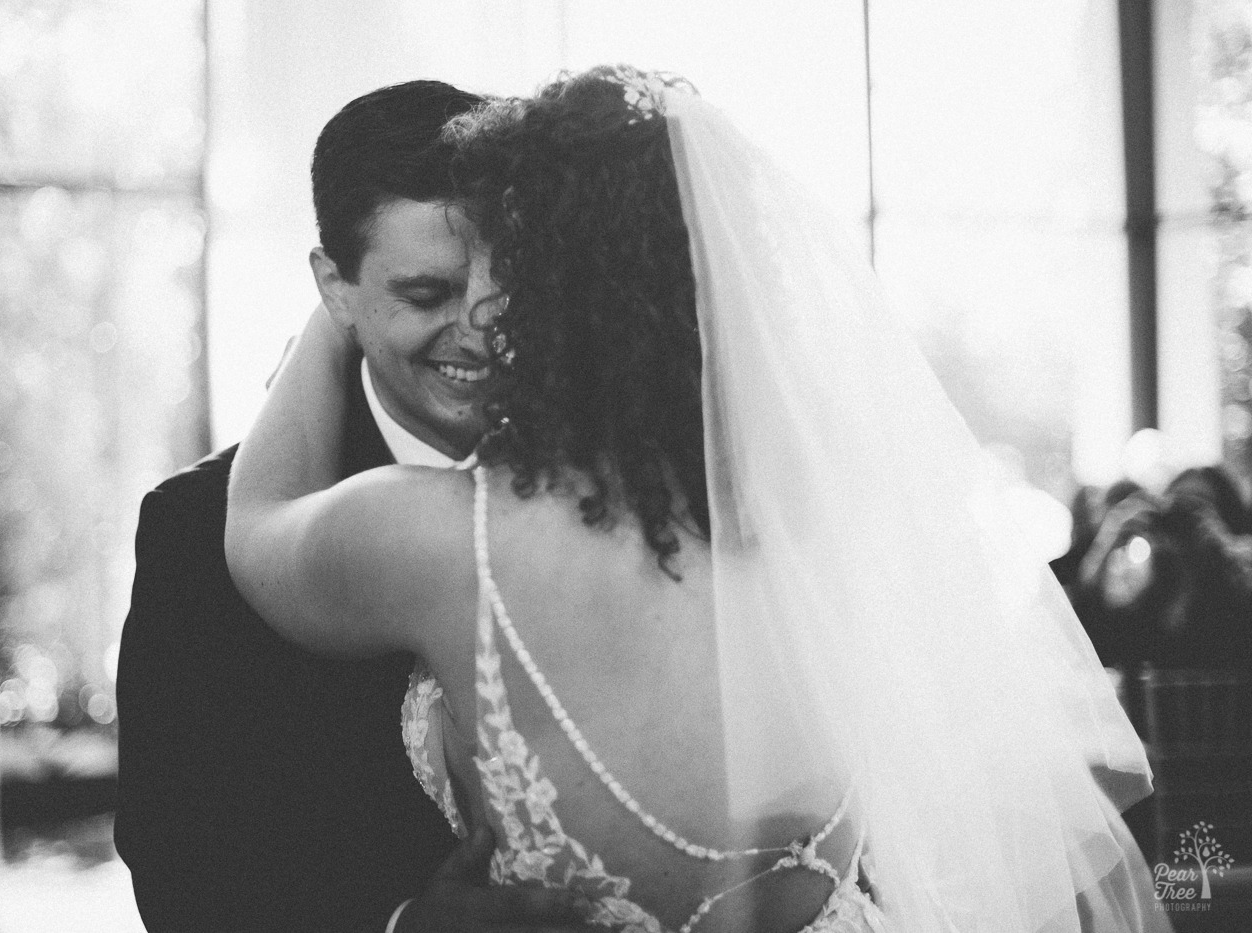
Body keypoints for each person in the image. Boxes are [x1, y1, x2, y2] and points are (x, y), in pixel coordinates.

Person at [225, 67, 1168, 932]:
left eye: (489, 264)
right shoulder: (832, 523)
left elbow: (258, 521)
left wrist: (337, 311)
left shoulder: (438, 539)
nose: (473, 304)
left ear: (536, 287)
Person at [115, 80, 591, 933]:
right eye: (427, 295)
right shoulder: (195, 530)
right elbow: (177, 864)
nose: (481, 329)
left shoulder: (627, 498)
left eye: (506, 286)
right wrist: (401, 925)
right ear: (334, 289)